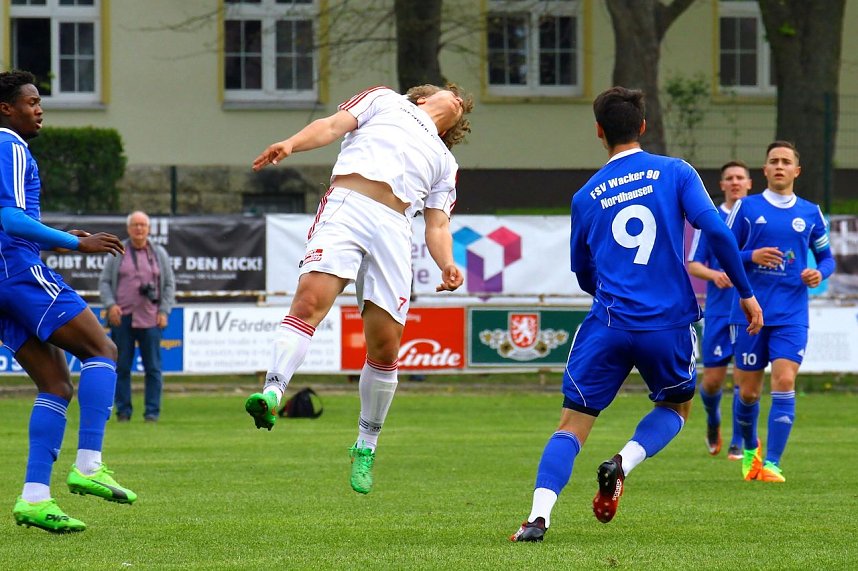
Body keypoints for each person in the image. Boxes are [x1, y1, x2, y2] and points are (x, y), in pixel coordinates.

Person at [509, 86, 763, 543]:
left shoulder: (586, 196)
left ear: (599, 132)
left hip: (608, 323)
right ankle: (622, 463)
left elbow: (582, 270)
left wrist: (610, 293)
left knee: (571, 425)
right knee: (676, 407)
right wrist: (745, 293)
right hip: (666, 325)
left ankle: (537, 518)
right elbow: (718, 234)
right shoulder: (676, 172)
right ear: (643, 127)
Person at [245, 83, 472, 495]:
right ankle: (272, 393)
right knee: (310, 301)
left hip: (395, 229)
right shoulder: (385, 99)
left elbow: (437, 224)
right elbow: (332, 125)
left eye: (461, 102)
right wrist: (292, 144)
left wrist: (447, 263)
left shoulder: (444, 160)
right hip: (349, 204)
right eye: (448, 91)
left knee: (385, 346)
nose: (457, 98)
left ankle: (366, 445)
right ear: (420, 97)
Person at [0, 69, 137, 534]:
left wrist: (58, 240)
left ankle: (35, 498)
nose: (39, 110)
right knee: (104, 351)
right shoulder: (10, 145)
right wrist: (76, 245)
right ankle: (90, 463)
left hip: (4, 280)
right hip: (17, 273)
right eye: (32, 101)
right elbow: (11, 220)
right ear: (6, 108)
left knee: (57, 386)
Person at [726, 141, 834, 484]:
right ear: (765, 170)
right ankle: (749, 451)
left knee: (785, 381)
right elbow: (723, 253)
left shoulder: (810, 213)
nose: (779, 166)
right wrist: (751, 256)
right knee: (749, 392)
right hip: (749, 313)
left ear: (796, 171)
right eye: (773, 161)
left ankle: (772, 463)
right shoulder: (745, 208)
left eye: (786, 162)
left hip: (791, 312)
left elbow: (827, 257)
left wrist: (820, 273)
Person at [687, 161, 752, 459]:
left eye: (740, 177)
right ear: (722, 185)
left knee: (743, 379)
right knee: (712, 382)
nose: (735, 182)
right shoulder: (711, 219)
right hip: (717, 313)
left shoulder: (756, 216)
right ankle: (713, 423)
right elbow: (694, 263)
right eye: (729, 178)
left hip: (746, 312)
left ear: (749, 183)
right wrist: (714, 275)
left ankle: (738, 440)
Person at [99, 210, 176, 423]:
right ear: (129, 228)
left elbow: (169, 284)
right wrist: (110, 305)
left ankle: (152, 412)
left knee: (153, 368)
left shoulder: (159, 253)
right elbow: (104, 282)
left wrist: (164, 310)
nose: (139, 229)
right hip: (122, 317)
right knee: (121, 367)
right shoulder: (118, 252)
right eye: (135, 225)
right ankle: (123, 411)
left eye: (143, 225)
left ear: (149, 229)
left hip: (151, 318)